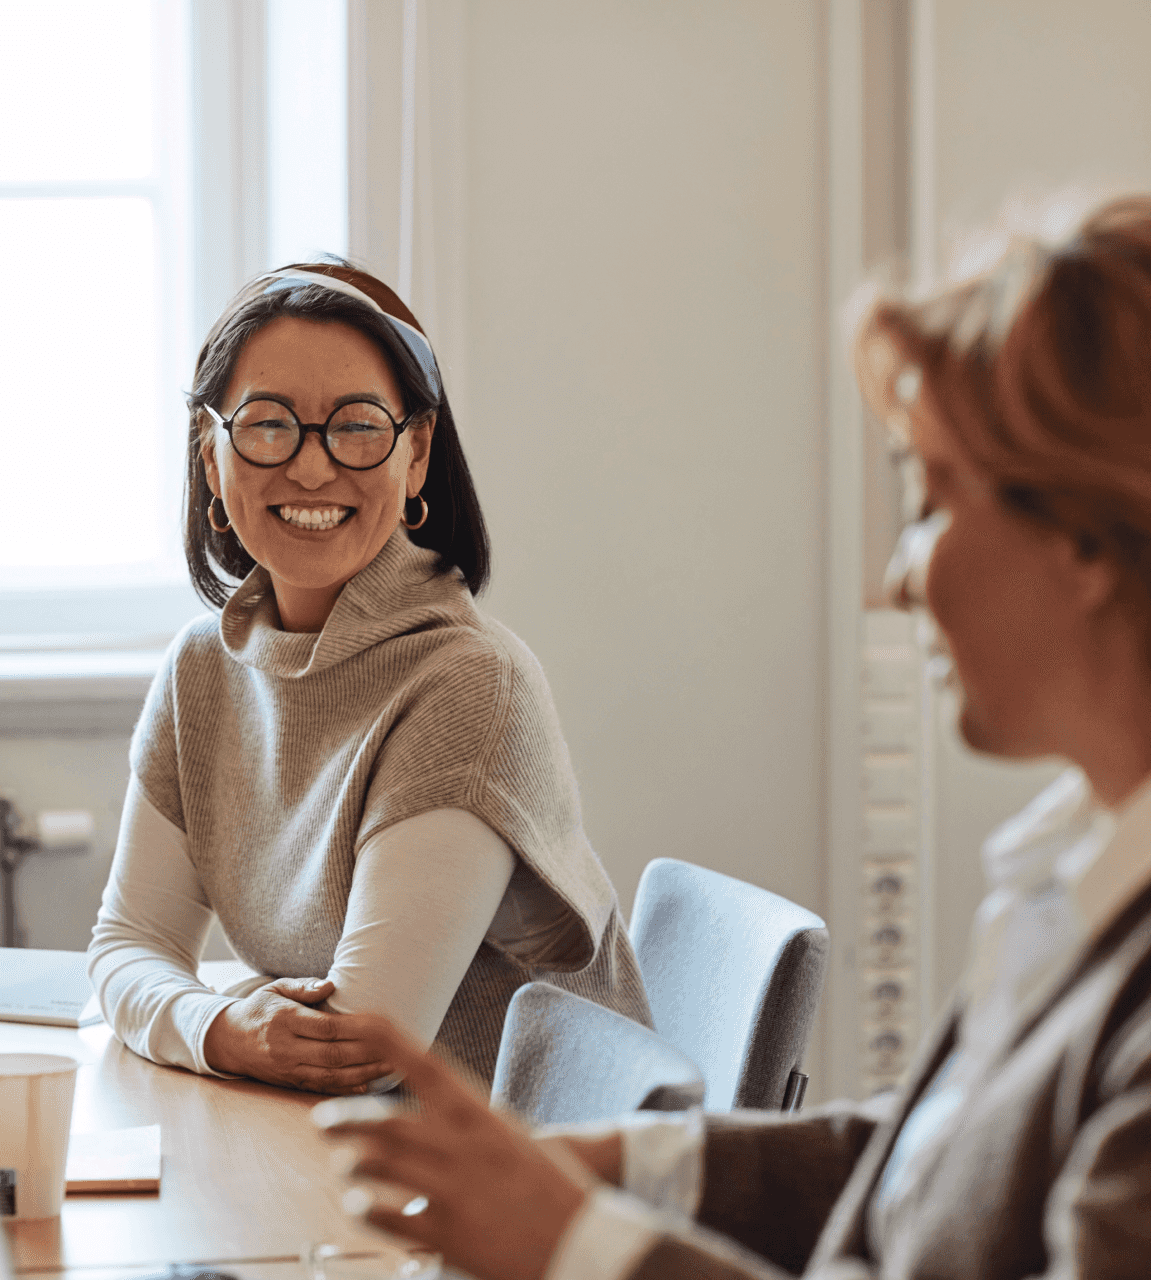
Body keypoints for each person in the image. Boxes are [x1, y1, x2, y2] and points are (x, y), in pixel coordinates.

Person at [314, 194, 1151, 1277]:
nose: (899, 573)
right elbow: (939, 1165)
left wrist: (580, 1245)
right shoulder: (1075, 860)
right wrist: (619, 1168)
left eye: (931, 502)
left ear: (1084, 537)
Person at [87, 262, 650, 1095]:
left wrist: (201, 1010)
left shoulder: (468, 685)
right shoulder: (201, 671)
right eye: (267, 424)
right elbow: (125, 944)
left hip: (511, 1186)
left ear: (416, 453)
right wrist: (219, 1023)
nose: (312, 470)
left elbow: (361, 1048)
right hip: (339, 1158)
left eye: (355, 426)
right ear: (211, 455)